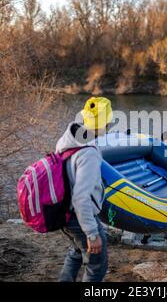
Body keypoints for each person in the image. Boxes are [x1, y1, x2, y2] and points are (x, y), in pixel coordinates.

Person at [56, 97, 113, 282]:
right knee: (96, 266)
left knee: (77, 252)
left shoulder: (70, 136)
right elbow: (81, 198)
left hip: (63, 211)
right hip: (78, 216)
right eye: (107, 122)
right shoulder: (88, 154)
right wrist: (92, 233)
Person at [141, 131, 167, 246]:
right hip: (154, 184)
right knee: (149, 209)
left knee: (165, 213)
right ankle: (147, 233)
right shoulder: (157, 151)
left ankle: (166, 236)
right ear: (162, 141)